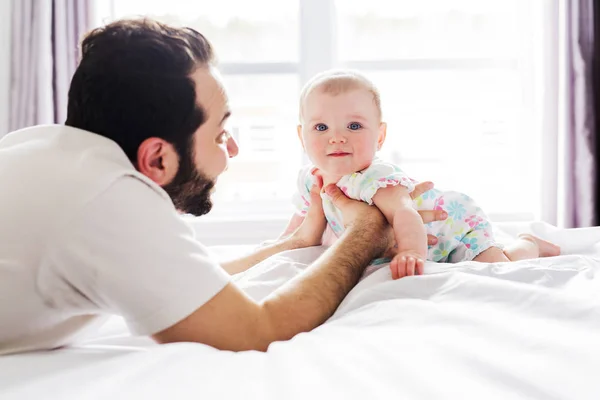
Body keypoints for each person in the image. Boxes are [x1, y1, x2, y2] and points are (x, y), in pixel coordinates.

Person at [0, 19, 447, 355]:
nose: (231, 149)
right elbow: (254, 330)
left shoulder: (37, 147)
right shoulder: (108, 202)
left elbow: (196, 276)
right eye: (219, 134)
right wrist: (366, 231)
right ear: (157, 157)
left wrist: (290, 244)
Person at [281, 69, 560, 280]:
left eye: (353, 126)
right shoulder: (310, 178)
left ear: (380, 136)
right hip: (426, 234)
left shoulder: (375, 178)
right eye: (321, 128)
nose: (337, 138)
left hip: (453, 226)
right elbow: (303, 222)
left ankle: (528, 244)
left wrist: (411, 252)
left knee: (497, 266)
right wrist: (282, 244)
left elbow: (405, 214)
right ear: (300, 136)